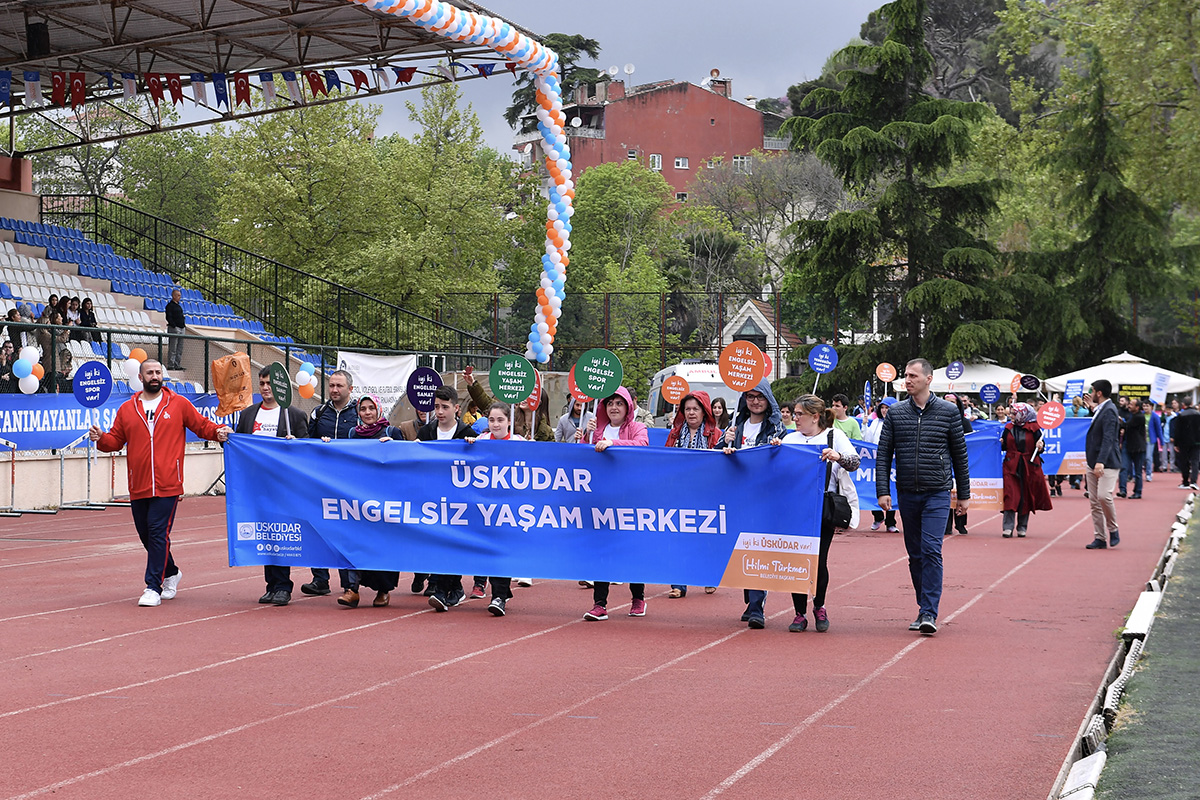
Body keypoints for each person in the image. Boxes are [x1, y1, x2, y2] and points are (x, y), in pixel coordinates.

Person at [89, 359, 232, 606]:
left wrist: (218, 431)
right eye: (150, 373)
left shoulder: (178, 404)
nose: (155, 376)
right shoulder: (127, 409)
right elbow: (114, 441)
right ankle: (172, 572)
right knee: (147, 535)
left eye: (158, 372)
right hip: (139, 484)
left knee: (157, 532)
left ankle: (152, 586)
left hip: (168, 483)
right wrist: (101, 438)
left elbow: (201, 425)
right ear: (141, 377)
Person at [875, 358, 970, 636]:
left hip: (937, 492)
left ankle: (929, 611)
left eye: (913, 375)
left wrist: (963, 494)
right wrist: (883, 490)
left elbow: (959, 456)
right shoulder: (895, 413)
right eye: (906, 375)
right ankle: (922, 606)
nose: (907, 380)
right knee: (915, 554)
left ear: (928, 379)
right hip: (907, 492)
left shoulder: (949, 411)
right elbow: (883, 455)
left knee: (931, 549)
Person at [757, 394, 861, 632]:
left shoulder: (834, 436)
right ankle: (799, 613)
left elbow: (855, 463)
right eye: (793, 414)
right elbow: (773, 469)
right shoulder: (790, 438)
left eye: (799, 415)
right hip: (794, 507)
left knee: (818, 560)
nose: (795, 419)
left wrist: (837, 456)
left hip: (822, 507)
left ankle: (820, 606)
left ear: (815, 417)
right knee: (796, 558)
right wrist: (774, 451)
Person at [236, 366, 309, 605]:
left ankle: (283, 586)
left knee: (280, 533)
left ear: (280, 386)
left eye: (270, 383)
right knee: (264, 533)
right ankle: (271, 584)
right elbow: (239, 446)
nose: (266, 388)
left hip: (282, 485)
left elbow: (307, 450)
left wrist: (294, 444)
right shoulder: (248, 415)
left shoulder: (294, 415)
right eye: (262, 383)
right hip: (256, 484)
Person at [578, 386, 649, 620]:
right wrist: (582, 442)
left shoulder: (637, 427)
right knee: (602, 549)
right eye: (610, 403)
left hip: (631, 499)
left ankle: (638, 598)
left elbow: (642, 446)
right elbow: (582, 464)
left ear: (628, 406)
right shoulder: (595, 430)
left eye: (619, 403)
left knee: (632, 549)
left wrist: (612, 443)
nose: (614, 407)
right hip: (602, 500)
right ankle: (600, 604)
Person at [722, 377, 786, 623]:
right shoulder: (735, 427)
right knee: (742, 549)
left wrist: (778, 447)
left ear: (768, 399)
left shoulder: (777, 429)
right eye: (750, 396)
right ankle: (751, 600)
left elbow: (783, 458)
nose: (755, 401)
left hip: (764, 497)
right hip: (738, 496)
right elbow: (717, 457)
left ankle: (757, 606)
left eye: (760, 396)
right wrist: (725, 444)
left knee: (759, 548)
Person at [457, 402, 526, 617]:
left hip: (509, 509)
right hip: (482, 508)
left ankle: (500, 595)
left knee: (501, 552)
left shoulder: (520, 443)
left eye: (500, 420)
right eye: (492, 420)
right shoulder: (481, 441)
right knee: (483, 549)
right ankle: (486, 587)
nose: (495, 424)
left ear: (509, 421)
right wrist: (469, 444)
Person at [337, 394, 404, 608]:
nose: (367, 413)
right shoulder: (351, 434)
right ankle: (351, 589)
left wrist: (393, 447)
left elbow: (406, 460)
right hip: (356, 499)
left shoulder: (392, 432)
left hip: (385, 501)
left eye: (371, 408)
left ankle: (383, 590)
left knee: (383, 545)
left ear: (378, 410)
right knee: (351, 541)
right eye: (363, 409)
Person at [302, 369, 358, 596]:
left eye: (339, 386)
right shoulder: (319, 412)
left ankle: (349, 584)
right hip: (321, 482)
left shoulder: (358, 413)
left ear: (350, 389)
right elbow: (306, 443)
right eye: (332, 385)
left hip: (349, 483)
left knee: (345, 531)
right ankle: (320, 579)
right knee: (317, 528)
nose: (334, 390)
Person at [417, 385, 475, 600]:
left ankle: (445, 589)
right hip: (431, 498)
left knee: (453, 543)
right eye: (436, 407)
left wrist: (474, 445)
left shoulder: (467, 435)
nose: (440, 412)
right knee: (437, 543)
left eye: (445, 407)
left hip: (458, 500)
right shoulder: (426, 433)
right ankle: (451, 588)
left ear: (456, 408)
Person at [663, 390, 723, 598]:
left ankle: (709, 576)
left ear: (704, 411)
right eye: (687, 409)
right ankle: (679, 583)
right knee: (678, 536)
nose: (690, 413)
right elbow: (665, 458)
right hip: (679, 492)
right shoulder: (675, 434)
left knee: (706, 537)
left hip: (707, 493)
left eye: (695, 409)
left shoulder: (716, 434)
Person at [1000, 402, 1053, 538]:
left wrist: (1040, 446)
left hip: (1029, 465)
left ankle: (1022, 527)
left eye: (1014, 413)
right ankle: (1007, 527)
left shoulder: (1035, 429)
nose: (1010, 416)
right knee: (1010, 495)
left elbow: (1041, 449)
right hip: (1011, 466)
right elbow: (1004, 446)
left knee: (1025, 496)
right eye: (1011, 413)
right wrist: (1001, 443)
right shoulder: (1008, 427)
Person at [1082, 380, 1122, 549]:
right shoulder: (1102, 409)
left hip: (1106, 462)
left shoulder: (1110, 411)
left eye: (1092, 391)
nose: (1090, 394)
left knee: (1103, 496)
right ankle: (1100, 537)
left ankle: (1113, 529)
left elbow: (1108, 439)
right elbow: (1098, 418)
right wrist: (1092, 407)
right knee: (1094, 501)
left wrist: (1101, 462)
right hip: (1092, 461)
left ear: (1098, 393)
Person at [863, 401, 898, 532]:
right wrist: (865, 425)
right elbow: (867, 441)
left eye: (887, 408)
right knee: (874, 489)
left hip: (893, 463)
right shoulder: (875, 424)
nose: (884, 410)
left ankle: (890, 522)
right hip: (876, 463)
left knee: (892, 490)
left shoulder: (898, 423)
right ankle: (877, 517)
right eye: (882, 408)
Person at [943, 393, 973, 536]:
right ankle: (947, 525)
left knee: (960, 492)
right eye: (946, 402)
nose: (949, 405)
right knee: (946, 493)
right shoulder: (939, 420)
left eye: (952, 402)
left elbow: (972, 442)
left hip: (959, 461)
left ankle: (961, 524)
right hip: (944, 462)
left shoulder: (964, 422)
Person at [1119, 398, 1146, 499]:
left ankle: (1138, 492)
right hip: (1128, 444)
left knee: (1138, 471)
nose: (1129, 406)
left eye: (1131, 404)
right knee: (1124, 467)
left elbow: (1128, 425)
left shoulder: (1139, 417)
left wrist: (1122, 423)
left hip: (1138, 447)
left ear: (1137, 407)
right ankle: (1122, 490)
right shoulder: (1130, 415)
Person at [1171, 397, 1200, 490]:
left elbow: (1177, 431)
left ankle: (1185, 481)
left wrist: (1176, 443)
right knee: (1195, 461)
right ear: (1192, 403)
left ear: (1183, 404)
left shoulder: (1181, 415)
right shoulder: (1198, 414)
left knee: (1184, 461)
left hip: (1184, 442)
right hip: (1197, 441)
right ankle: (1194, 481)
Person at [165, 289, 186, 370]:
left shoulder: (179, 306)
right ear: (173, 296)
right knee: (173, 348)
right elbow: (168, 317)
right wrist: (174, 325)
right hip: (175, 328)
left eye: (180, 295)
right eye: (178, 295)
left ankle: (177, 364)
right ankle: (171, 364)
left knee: (179, 348)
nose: (179, 297)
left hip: (181, 328)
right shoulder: (170, 306)